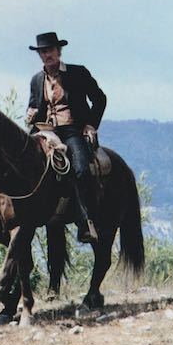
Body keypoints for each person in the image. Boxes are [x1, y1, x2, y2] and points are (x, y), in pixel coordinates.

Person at [26, 32, 107, 243]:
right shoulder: (36, 79)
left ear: (58, 51)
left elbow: (100, 99)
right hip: (44, 131)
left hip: (71, 130)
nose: (47, 55)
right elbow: (34, 104)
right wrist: (30, 113)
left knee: (80, 168)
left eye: (50, 50)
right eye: (43, 52)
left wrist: (90, 124)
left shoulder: (78, 73)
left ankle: (85, 220)